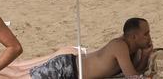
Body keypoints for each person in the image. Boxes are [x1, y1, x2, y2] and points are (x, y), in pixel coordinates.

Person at [9, 18, 153, 79]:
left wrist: (145, 55)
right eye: (146, 34)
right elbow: (132, 76)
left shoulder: (131, 50)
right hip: (66, 67)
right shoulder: (119, 46)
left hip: (71, 70)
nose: (149, 37)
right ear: (134, 37)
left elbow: (135, 72)